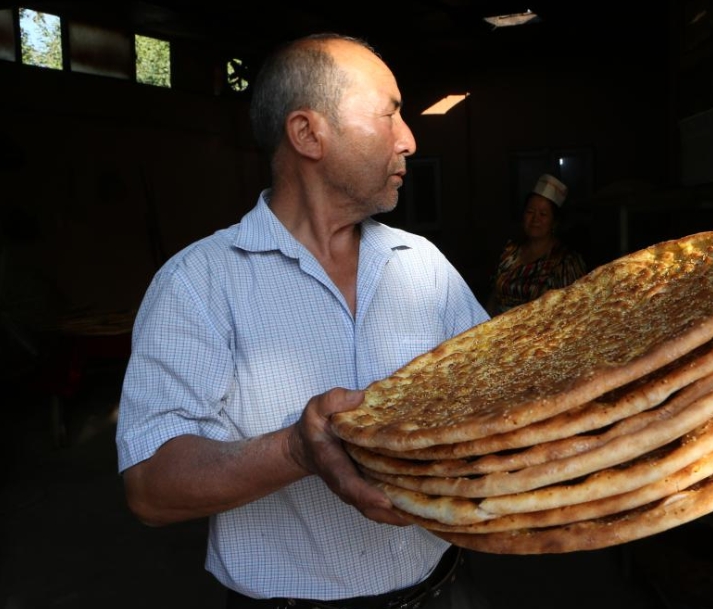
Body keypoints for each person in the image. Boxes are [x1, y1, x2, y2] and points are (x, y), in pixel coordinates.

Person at [115, 33, 490, 609]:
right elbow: (150, 488)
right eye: (389, 113)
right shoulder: (200, 282)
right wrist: (297, 449)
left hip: (444, 588)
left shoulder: (424, 267)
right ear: (308, 134)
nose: (409, 139)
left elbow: (497, 394)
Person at [485, 174, 587, 315]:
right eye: (530, 212)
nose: (535, 219)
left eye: (543, 214)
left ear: (555, 221)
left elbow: (574, 310)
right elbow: (494, 296)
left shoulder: (566, 263)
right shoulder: (510, 252)